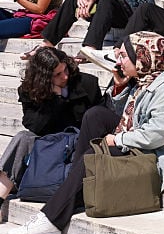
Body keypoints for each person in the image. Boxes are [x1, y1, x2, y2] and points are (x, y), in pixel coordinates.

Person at [8, 32, 164, 234]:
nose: (119, 61)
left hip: (159, 156)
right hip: (142, 144)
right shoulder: (146, 80)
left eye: (125, 56)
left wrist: (118, 140)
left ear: (143, 57)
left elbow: (157, 135)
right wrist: (119, 88)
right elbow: (125, 115)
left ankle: (52, 220)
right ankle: (74, 186)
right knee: (95, 115)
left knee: (93, 155)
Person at [0, 48, 102, 205]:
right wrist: (55, 98)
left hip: (76, 144)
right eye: (57, 75)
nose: (65, 76)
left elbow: (98, 120)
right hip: (47, 144)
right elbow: (33, 126)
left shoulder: (87, 84)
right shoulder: (30, 90)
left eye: (65, 69)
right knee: (23, 137)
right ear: (44, 78)